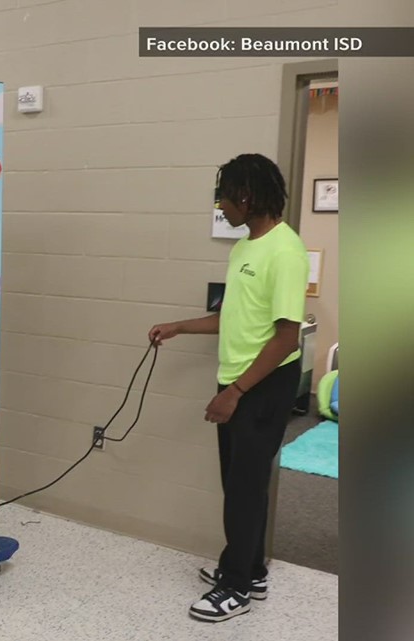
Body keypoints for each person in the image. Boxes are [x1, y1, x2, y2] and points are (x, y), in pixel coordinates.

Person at [149, 153, 308, 623]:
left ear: (246, 196)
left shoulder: (286, 251)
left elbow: (285, 337)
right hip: (241, 381)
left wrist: (235, 391)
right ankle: (251, 567)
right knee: (240, 484)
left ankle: (235, 587)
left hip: (262, 386)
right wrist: (180, 326)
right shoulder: (245, 248)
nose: (220, 208)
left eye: (223, 198)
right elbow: (232, 317)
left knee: (243, 488)